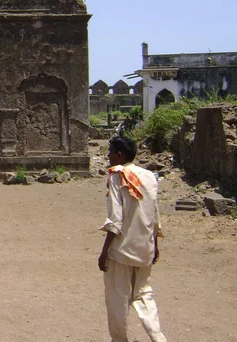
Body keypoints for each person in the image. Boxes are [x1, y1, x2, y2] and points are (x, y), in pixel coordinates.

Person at [98, 136, 166, 342]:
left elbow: (115, 220)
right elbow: (154, 214)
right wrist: (155, 244)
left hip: (121, 252)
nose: (108, 156)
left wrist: (104, 252)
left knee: (117, 301)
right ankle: (158, 338)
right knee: (145, 296)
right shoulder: (149, 177)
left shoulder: (118, 176)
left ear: (120, 155)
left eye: (110, 152)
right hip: (144, 250)